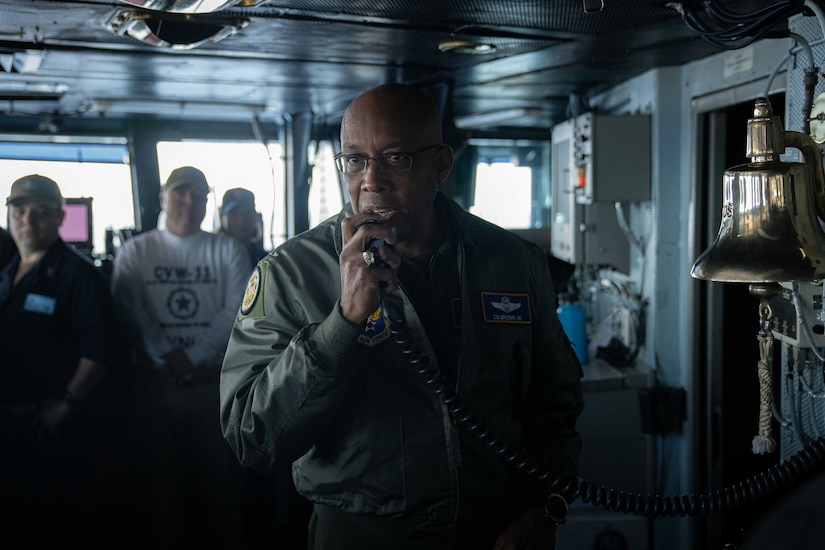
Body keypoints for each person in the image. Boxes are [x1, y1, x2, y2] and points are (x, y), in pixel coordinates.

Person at [220, 83, 585, 549]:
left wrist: (544, 508)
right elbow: (252, 438)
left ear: (441, 165)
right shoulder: (292, 272)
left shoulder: (514, 262)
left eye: (395, 157)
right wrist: (342, 323)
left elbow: (556, 405)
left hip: (499, 532)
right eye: (354, 160)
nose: (371, 180)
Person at [110, 166, 252, 549]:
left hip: (213, 390)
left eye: (198, 194)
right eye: (180, 192)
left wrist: (190, 357)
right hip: (156, 389)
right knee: (160, 493)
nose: (189, 201)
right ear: (163, 197)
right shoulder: (135, 252)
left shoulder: (228, 249)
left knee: (221, 491)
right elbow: (132, 313)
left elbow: (236, 312)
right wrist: (170, 357)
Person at [0, 174, 127, 547]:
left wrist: (66, 406)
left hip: (51, 428)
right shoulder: (9, 272)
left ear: (60, 218)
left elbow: (99, 350)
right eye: (19, 211)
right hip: (11, 425)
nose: (28, 221)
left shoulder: (79, 276)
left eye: (40, 212)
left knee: (54, 524)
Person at [219, 186, 268, 267]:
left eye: (247, 213)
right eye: (234, 213)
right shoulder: (211, 256)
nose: (241, 220)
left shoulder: (265, 260)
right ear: (222, 216)